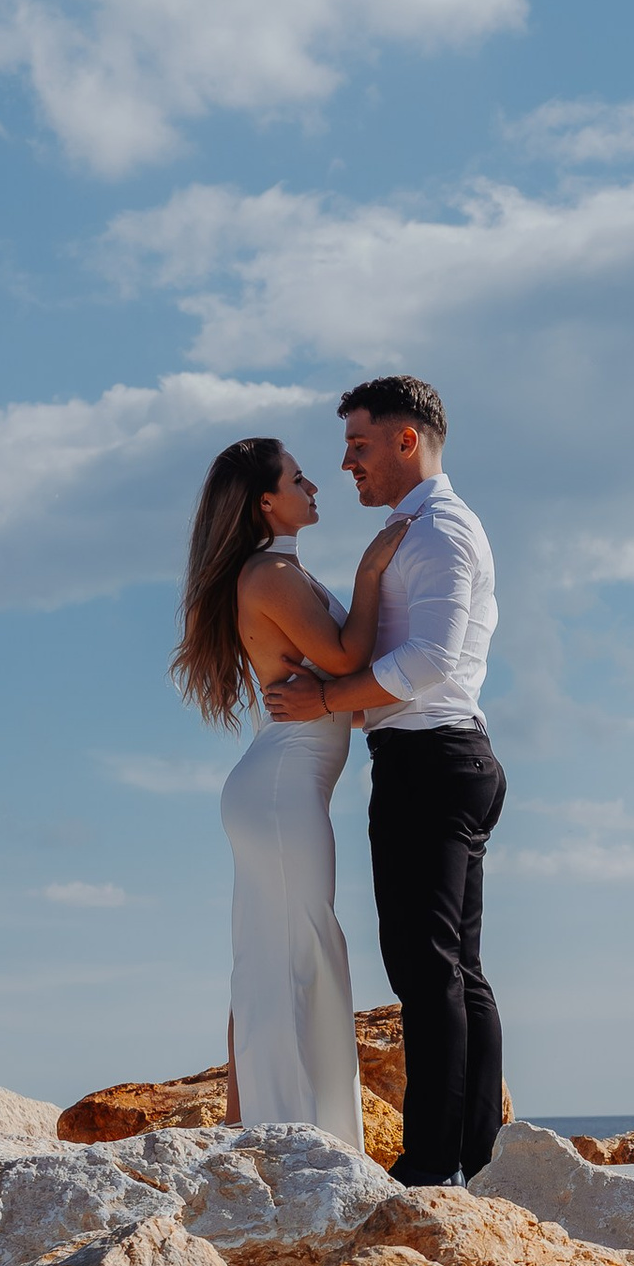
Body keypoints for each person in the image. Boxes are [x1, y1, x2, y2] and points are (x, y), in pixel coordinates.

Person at [259, 374, 504, 1186]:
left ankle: (435, 1165)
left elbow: (430, 662)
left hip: (431, 761)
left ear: (408, 440)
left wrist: (328, 698)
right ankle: (474, 1156)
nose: (347, 463)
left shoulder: (438, 532)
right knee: (453, 968)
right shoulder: (416, 529)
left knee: (427, 968)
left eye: (360, 445)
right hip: (438, 755)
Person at [171, 433, 401, 1155]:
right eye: (300, 480)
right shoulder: (269, 575)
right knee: (297, 951)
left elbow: (337, 686)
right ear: (266, 500)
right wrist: (370, 575)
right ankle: (295, 1141)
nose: (315, 488)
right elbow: (343, 658)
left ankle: (259, 1136)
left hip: (281, 785)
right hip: (281, 787)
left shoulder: (276, 572)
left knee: (278, 957)